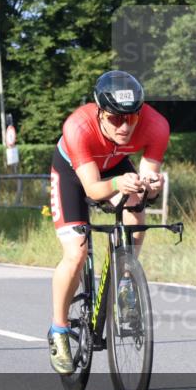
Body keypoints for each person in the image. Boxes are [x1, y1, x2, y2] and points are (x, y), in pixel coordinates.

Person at [47, 70, 169, 374]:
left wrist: (151, 186)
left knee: (135, 203)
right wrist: (117, 184)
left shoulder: (156, 126)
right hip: (75, 175)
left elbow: (148, 184)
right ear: (100, 112)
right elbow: (92, 190)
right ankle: (59, 331)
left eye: (132, 118)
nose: (125, 127)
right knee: (76, 252)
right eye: (115, 119)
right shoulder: (78, 126)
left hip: (115, 166)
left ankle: (126, 278)